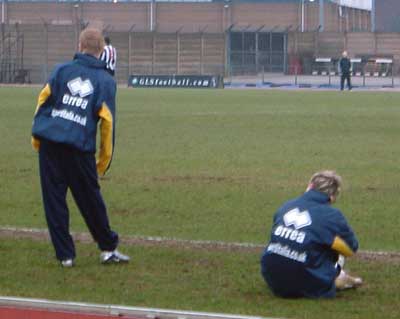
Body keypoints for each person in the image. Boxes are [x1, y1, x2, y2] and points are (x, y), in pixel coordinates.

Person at [31, 28, 129, 267]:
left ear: (79, 45)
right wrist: (103, 162)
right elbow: (107, 123)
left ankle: (65, 255)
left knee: (54, 201)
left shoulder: (61, 70)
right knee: (91, 201)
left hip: (50, 144)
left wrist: (37, 139)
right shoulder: (105, 81)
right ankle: (107, 248)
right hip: (78, 148)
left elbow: (42, 101)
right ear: (102, 51)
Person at [260, 171, 362, 298]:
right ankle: (338, 278)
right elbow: (351, 249)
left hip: (272, 279)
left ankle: (338, 277)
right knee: (337, 245)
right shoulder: (332, 215)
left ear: (310, 186)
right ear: (333, 196)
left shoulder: (286, 206)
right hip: (309, 285)